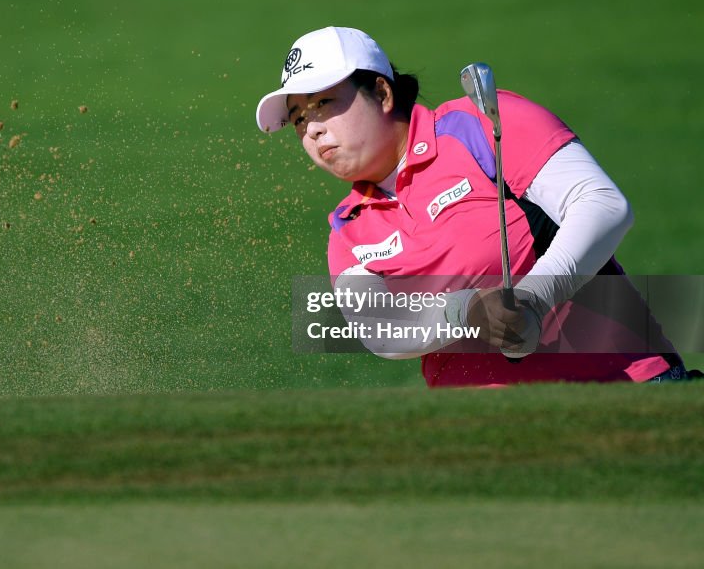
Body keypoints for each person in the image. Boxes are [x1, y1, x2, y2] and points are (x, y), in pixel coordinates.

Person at [256, 25, 697, 387]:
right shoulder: (348, 229)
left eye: (323, 104)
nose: (311, 130)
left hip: (623, 386)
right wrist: (467, 312)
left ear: (382, 93)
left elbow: (602, 205)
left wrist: (533, 299)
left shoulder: (481, 125)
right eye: (298, 119)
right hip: (486, 435)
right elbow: (379, 331)